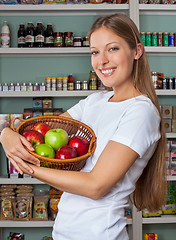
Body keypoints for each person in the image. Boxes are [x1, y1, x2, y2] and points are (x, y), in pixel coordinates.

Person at [0, 13, 167, 240]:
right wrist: (7, 133)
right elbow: (38, 130)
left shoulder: (141, 111)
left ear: (137, 51)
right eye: (95, 52)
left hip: (99, 234)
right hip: (64, 231)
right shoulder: (94, 101)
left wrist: (26, 166)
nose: (102, 61)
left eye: (113, 49)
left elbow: (95, 186)